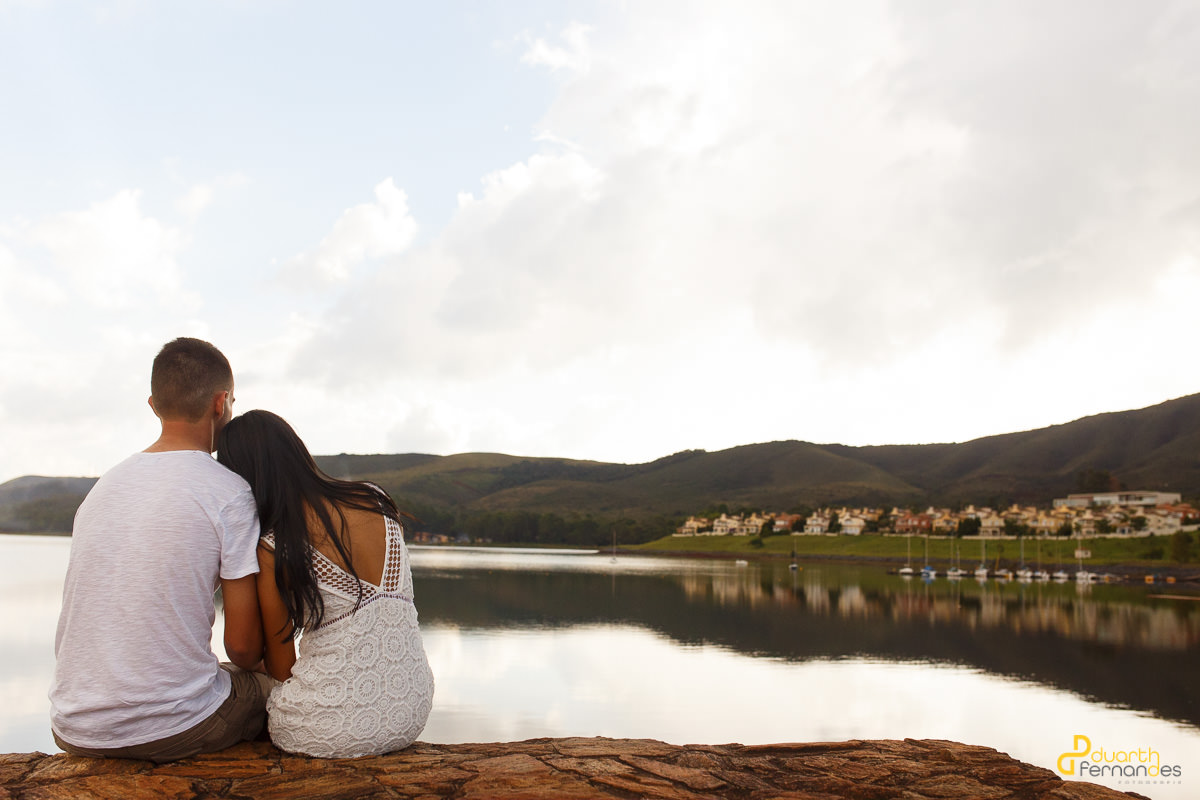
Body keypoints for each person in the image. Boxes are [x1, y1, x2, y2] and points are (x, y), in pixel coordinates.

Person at [49, 337, 271, 762]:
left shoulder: (103, 489)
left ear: (154, 405)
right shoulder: (230, 492)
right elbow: (243, 648)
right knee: (266, 689)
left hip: (74, 724)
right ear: (221, 403)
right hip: (173, 729)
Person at [215, 410, 434, 758]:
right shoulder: (374, 499)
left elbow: (282, 669)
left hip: (326, 727)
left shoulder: (273, 545)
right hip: (411, 707)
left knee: (237, 687)